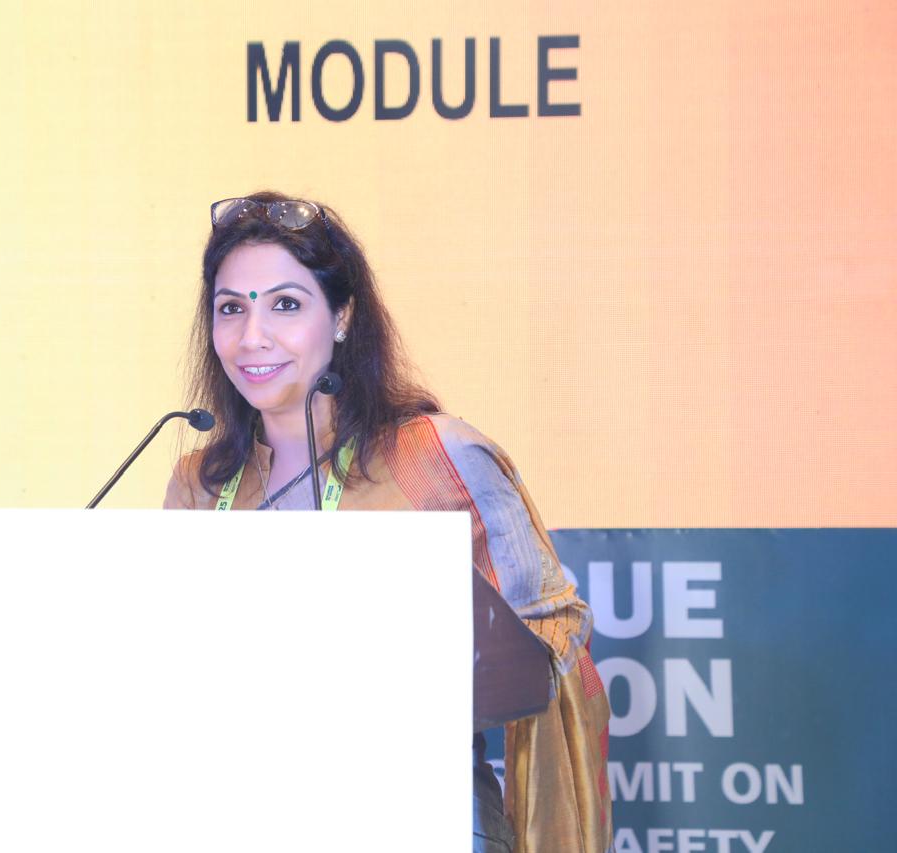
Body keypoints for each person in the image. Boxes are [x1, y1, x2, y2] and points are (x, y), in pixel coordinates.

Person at [163, 191, 612, 853]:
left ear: (343, 316)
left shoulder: (438, 455)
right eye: (231, 308)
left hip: (424, 817)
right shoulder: (200, 484)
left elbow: (554, 643)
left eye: (285, 304)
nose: (252, 336)